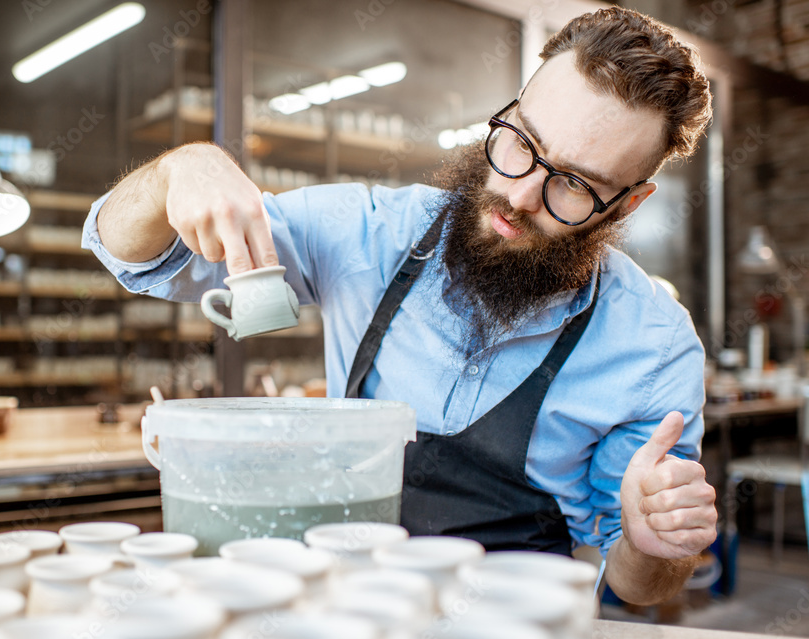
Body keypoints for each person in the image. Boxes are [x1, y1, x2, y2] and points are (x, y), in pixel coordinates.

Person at [82, 7, 717, 605]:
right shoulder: (372, 233)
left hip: (514, 636)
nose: (520, 194)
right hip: (348, 616)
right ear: (509, 112)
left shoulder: (650, 347)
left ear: (628, 204)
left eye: (575, 186)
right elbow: (134, 259)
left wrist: (651, 540)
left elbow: (640, 585)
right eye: (522, 143)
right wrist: (179, 172)